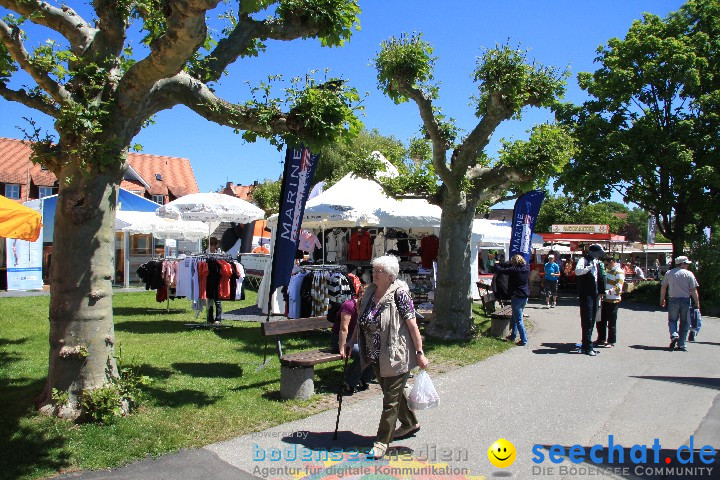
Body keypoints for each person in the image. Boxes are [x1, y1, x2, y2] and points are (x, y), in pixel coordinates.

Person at [347, 255, 428, 459]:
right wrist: (351, 341)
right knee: (394, 394)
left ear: (390, 275)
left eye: (379, 271)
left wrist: (419, 352)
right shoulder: (370, 292)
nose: (374, 273)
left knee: (389, 402)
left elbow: (412, 325)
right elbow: (361, 320)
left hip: (395, 354)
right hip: (374, 355)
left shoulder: (400, 294)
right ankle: (410, 423)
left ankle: (382, 442)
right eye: (374, 269)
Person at [334, 284, 375, 394]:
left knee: (375, 349)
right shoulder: (349, 305)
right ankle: (348, 382)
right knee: (364, 352)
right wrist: (342, 347)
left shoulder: (367, 306)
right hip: (339, 339)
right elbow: (343, 328)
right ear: (360, 294)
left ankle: (363, 379)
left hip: (355, 339)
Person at [660, 256, 700, 352]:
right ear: (682, 264)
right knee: (684, 322)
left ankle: (674, 334)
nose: (687, 265)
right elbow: (693, 290)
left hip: (673, 299)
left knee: (672, 320)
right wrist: (697, 302)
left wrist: (662, 298)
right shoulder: (689, 274)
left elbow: (663, 287)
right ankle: (681, 343)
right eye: (686, 263)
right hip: (685, 300)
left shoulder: (669, 273)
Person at [575, 244, 606, 356]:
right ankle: (588, 347)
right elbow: (577, 271)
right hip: (586, 294)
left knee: (592, 319)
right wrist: (588, 268)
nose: (599, 255)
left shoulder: (596, 262)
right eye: (598, 253)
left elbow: (600, 278)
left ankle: (586, 345)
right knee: (587, 319)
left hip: (595, 294)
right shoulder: (584, 260)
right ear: (593, 252)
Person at [493, 254, 530, 346]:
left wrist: (497, 263)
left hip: (516, 296)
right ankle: (513, 336)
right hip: (524, 296)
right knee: (515, 316)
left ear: (515, 262)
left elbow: (500, 270)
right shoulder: (526, 269)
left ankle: (524, 340)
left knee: (518, 319)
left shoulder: (514, 270)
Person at [595, 256, 625, 347]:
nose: (605, 266)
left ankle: (611, 341)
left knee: (611, 322)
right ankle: (601, 338)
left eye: (606, 264)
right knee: (601, 320)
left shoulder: (618, 271)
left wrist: (606, 292)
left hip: (613, 300)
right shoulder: (608, 271)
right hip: (605, 299)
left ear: (611, 262)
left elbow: (619, 287)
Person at [207, 237, 222, 325]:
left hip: (217, 278)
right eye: (210, 245)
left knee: (217, 299)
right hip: (208, 278)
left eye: (213, 245)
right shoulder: (205, 254)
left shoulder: (220, 254)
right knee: (209, 299)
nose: (212, 247)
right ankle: (210, 318)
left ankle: (218, 318)